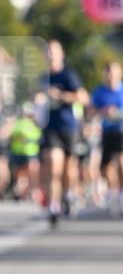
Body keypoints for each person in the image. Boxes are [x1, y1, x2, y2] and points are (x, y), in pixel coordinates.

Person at [37, 40, 88, 227]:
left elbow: (83, 97)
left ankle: (67, 194)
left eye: (53, 51)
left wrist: (60, 96)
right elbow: (37, 99)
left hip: (68, 127)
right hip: (50, 127)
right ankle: (53, 207)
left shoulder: (68, 75)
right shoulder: (43, 78)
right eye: (48, 51)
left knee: (68, 170)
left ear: (61, 54)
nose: (50, 54)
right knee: (53, 165)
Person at [91, 60, 123, 215]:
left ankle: (121, 194)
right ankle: (114, 193)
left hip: (121, 131)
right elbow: (91, 110)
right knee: (105, 167)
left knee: (121, 162)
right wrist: (103, 112)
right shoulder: (99, 92)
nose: (111, 75)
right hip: (107, 132)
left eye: (114, 71)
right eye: (108, 72)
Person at [8, 102, 42, 201]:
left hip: (31, 153)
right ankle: (21, 191)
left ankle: (31, 191)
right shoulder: (17, 123)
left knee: (32, 172)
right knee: (20, 174)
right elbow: (11, 136)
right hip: (18, 153)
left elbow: (39, 137)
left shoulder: (35, 124)